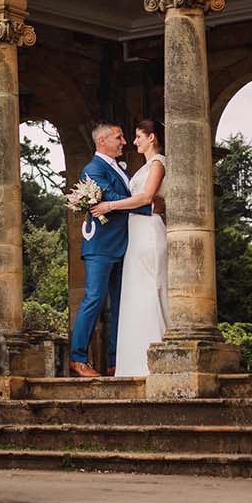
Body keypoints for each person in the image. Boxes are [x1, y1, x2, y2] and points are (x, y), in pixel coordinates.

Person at [69, 121, 135, 378]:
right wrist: (145, 203)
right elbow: (109, 197)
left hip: (123, 244)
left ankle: (116, 361)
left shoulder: (119, 168)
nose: (124, 142)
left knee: (120, 303)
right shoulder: (93, 168)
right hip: (100, 246)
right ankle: (78, 358)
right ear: (103, 141)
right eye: (119, 137)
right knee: (94, 298)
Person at [111, 119, 169, 377]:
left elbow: (147, 198)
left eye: (138, 136)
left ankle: (155, 360)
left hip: (148, 231)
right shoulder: (144, 167)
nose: (134, 142)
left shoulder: (158, 163)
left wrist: (110, 206)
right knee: (135, 292)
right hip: (135, 232)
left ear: (152, 138)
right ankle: (133, 361)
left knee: (149, 289)